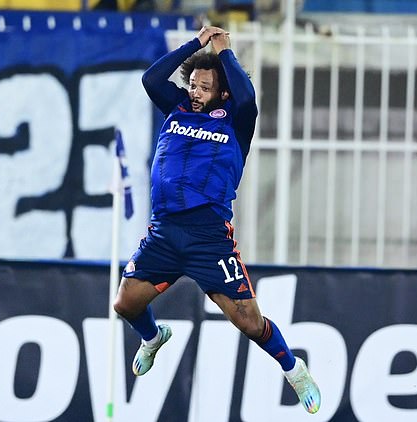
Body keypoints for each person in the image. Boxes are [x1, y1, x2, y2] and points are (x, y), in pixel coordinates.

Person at [113, 25, 321, 414]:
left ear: (222, 92)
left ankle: (294, 369)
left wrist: (224, 51)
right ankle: (154, 337)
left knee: (247, 321)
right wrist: (196, 44)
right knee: (125, 303)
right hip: (164, 232)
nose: (194, 92)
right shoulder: (175, 108)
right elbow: (151, 78)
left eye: (203, 86)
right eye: (192, 84)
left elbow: (248, 98)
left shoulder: (235, 122)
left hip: (209, 238)